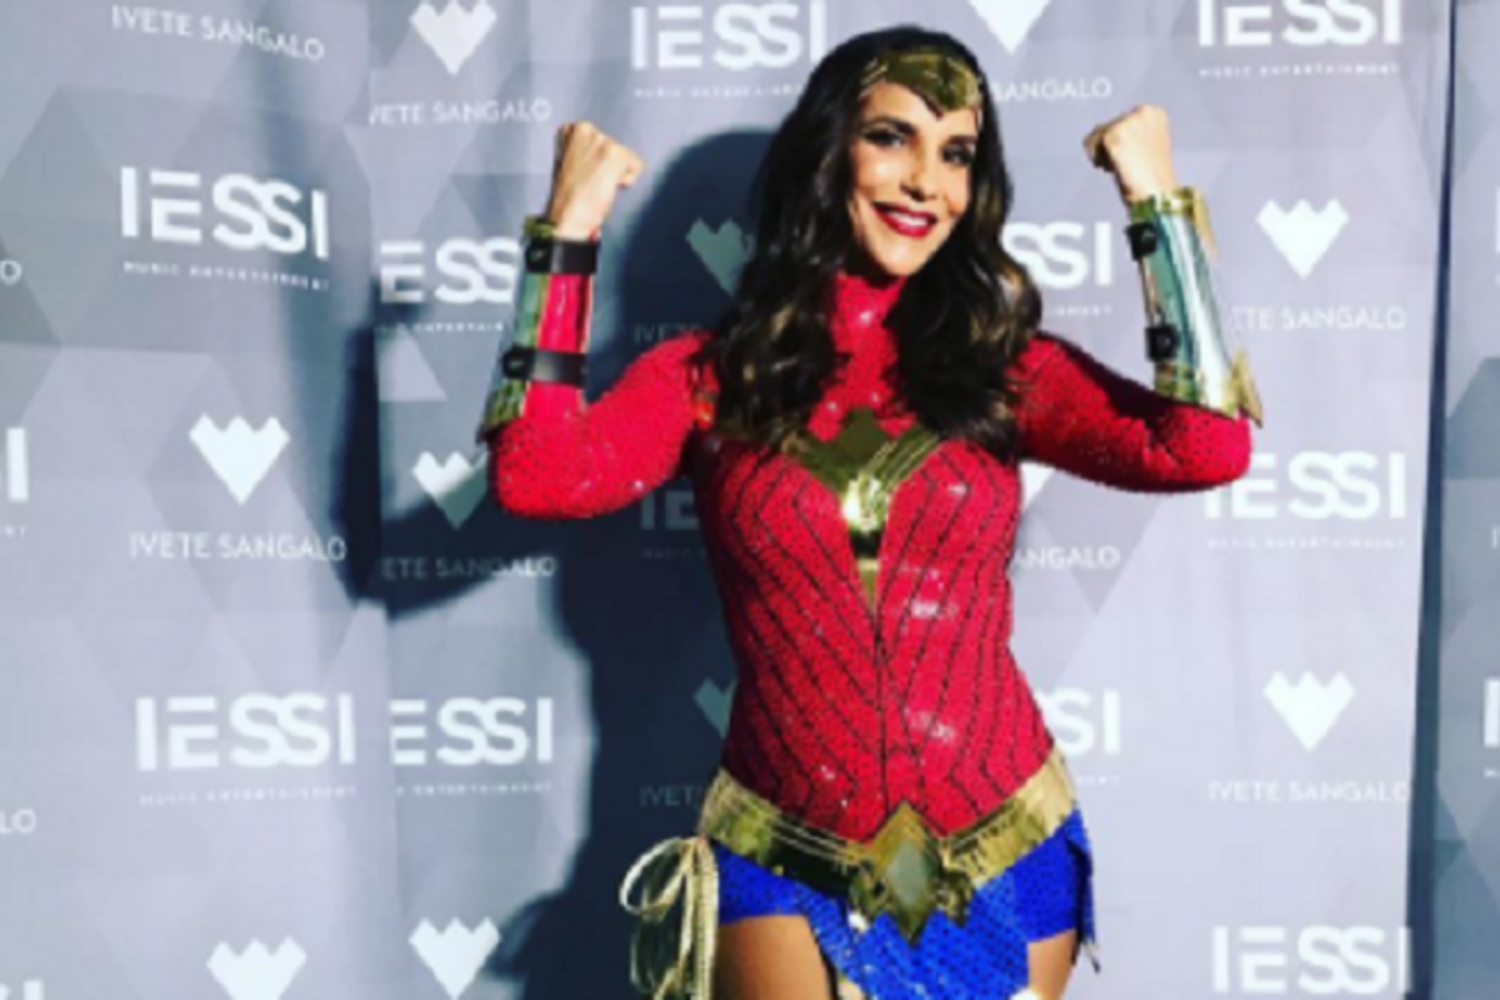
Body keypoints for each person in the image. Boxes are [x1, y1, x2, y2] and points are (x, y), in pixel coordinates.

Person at [477, 24, 1261, 1000]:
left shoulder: (1004, 370)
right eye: (893, 137)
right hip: (783, 845)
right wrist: (567, 233)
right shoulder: (712, 377)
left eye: (957, 154)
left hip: (1006, 841)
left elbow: (1205, 446)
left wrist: (1158, 205)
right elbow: (537, 474)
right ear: (828, 150)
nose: (927, 182)